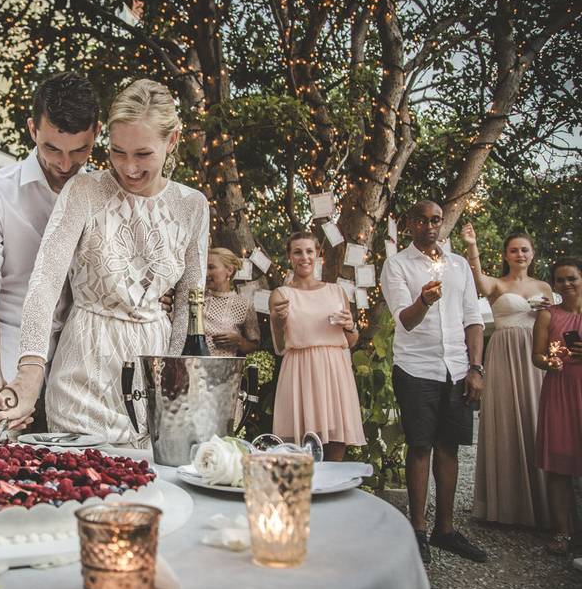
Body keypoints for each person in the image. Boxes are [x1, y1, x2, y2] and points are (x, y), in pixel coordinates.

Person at [1, 78, 210, 445]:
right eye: (117, 152)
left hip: (152, 373)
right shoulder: (84, 190)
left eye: (142, 154)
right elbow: (46, 279)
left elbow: (188, 304)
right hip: (83, 366)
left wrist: (172, 379)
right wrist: (31, 368)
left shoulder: (193, 206)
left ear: (172, 140)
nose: (128, 168)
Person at [0, 72, 102, 431]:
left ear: (96, 133)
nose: (65, 165)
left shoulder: (103, 196)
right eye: (52, 149)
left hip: (76, 374)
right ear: (33, 129)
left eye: (79, 150)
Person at [380, 200, 487, 564]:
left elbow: (473, 318)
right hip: (415, 368)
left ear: (443, 223)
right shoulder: (396, 265)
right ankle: (418, 530)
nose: (430, 226)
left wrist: (476, 368)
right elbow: (405, 320)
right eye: (422, 220)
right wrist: (424, 300)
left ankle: (445, 530)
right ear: (409, 224)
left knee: (449, 448)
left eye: (436, 220)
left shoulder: (458, 265)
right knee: (420, 447)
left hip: (456, 369)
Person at [462, 224, 553, 528]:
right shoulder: (497, 285)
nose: (520, 254)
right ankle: (505, 507)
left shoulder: (544, 287)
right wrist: (472, 245)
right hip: (503, 354)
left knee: (536, 419)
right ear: (505, 255)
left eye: (524, 249)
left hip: (534, 357)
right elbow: (477, 279)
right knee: (505, 420)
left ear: (532, 253)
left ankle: (542, 505)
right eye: (514, 250)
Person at [268, 232, 365, 461]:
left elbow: (350, 341)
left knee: (337, 442)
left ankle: (332, 492)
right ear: (289, 257)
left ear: (318, 255)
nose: (304, 257)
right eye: (298, 252)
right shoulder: (281, 294)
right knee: (300, 450)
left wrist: (351, 326)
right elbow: (279, 347)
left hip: (335, 370)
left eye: (309, 251)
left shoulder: (336, 291)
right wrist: (278, 321)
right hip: (300, 369)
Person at [532, 258, 582, 556]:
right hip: (560, 391)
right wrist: (551, 361)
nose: (566, 284)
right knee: (558, 465)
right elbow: (536, 356)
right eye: (560, 280)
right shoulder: (548, 316)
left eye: (572, 278)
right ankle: (563, 532)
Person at [204, 247, 261, 356]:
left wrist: (239, 341)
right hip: (193, 368)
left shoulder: (244, 304)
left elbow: (254, 345)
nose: (206, 273)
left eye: (211, 267)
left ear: (229, 270)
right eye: (204, 268)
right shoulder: (196, 298)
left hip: (225, 370)